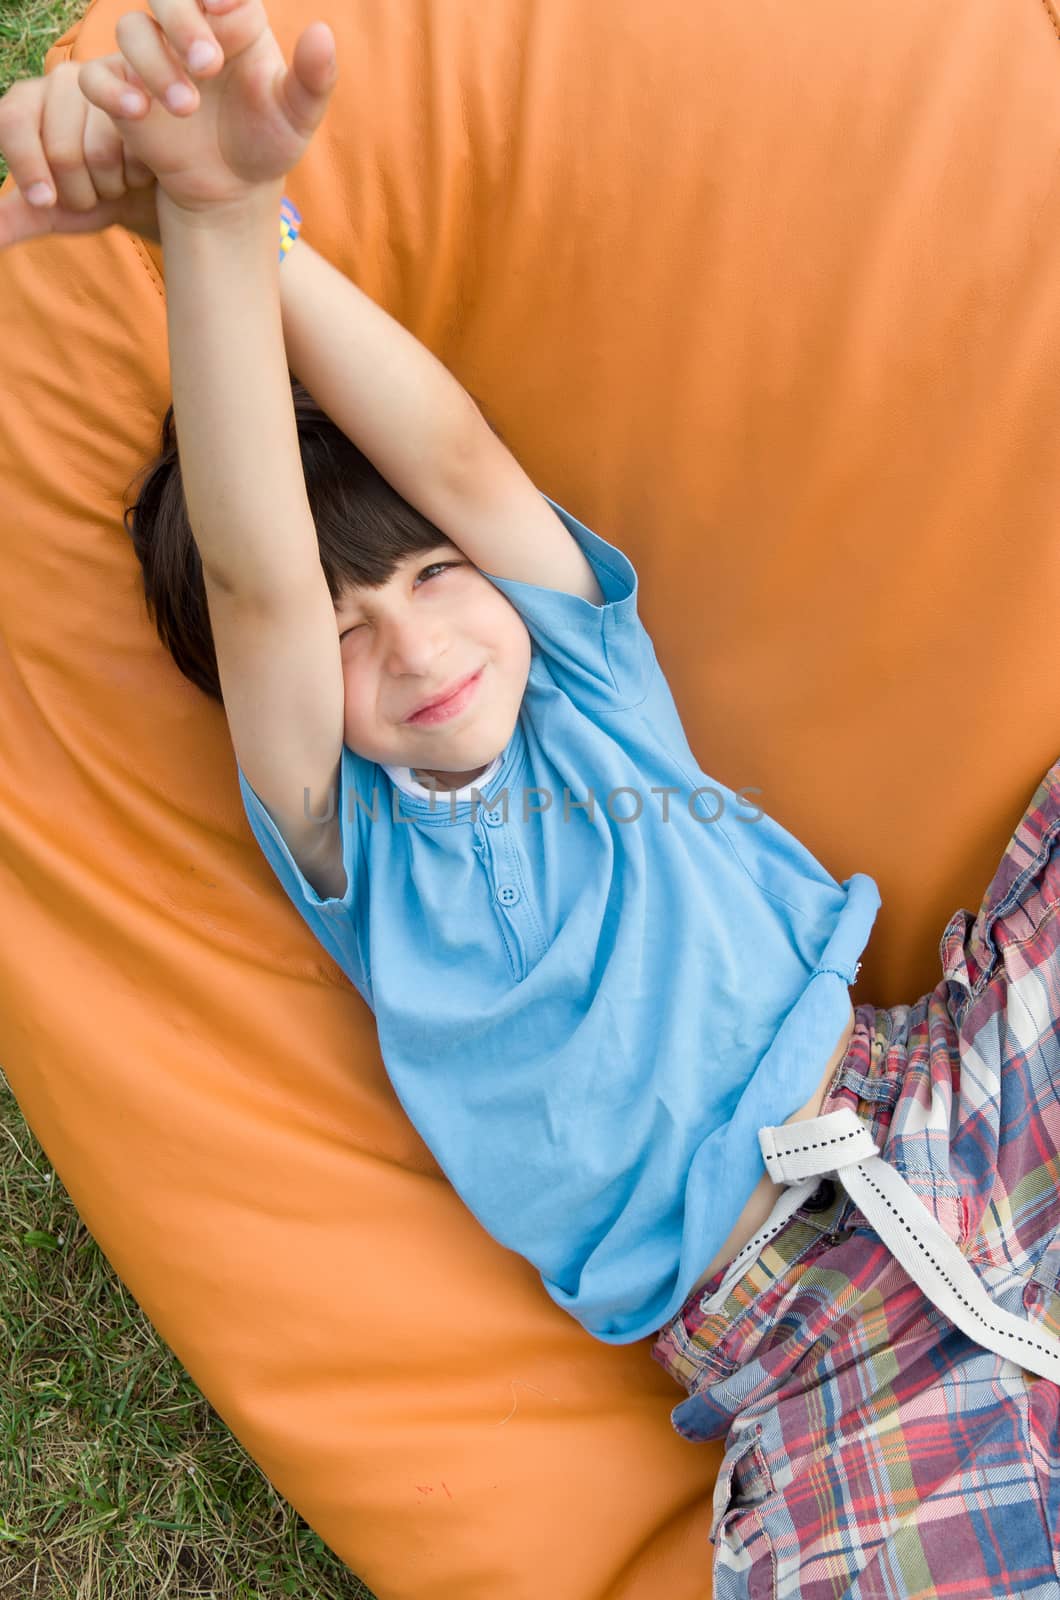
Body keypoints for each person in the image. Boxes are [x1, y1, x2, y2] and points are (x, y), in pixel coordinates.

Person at [1, 7, 1058, 1592]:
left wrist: (239, 233)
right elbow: (259, 577)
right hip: (800, 1334)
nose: (417, 644)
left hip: (948, 1095)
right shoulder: (353, 844)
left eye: (433, 578)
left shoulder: (584, 679)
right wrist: (200, 247)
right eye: (352, 635)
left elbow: (458, 453)